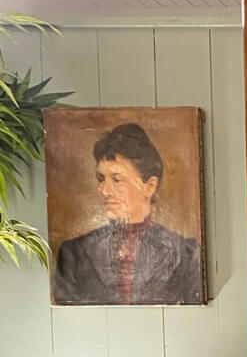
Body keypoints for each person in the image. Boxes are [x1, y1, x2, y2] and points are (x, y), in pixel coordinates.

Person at [52, 123, 202, 306]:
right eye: (101, 179)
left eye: (117, 180)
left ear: (149, 187)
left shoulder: (185, 255)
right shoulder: (73, 255)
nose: (104, 191)